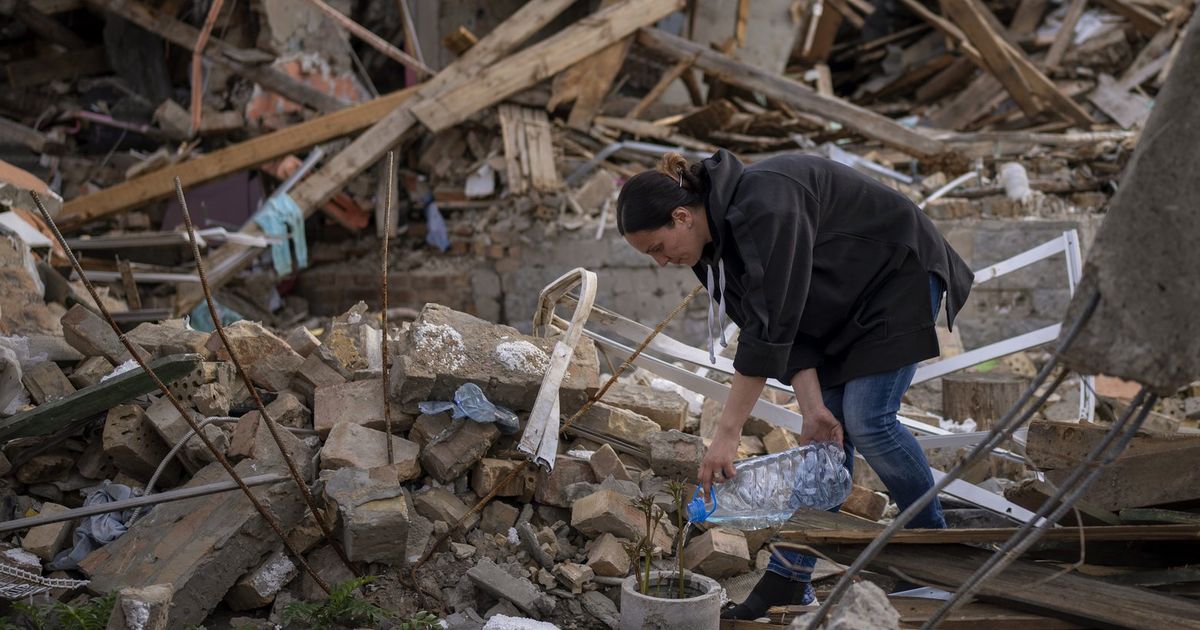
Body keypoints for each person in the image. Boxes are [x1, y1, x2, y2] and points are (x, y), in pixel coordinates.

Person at [616, 149, 974, 620]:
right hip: (838, 300)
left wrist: (725, 435)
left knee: (869, 418)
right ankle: (789, 580)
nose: (661, 261)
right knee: (824, 439)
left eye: (657, 248)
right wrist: (811, 408)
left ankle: (937, 560)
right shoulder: (709, 252)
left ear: (681, 216)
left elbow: (770, 330)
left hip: (895, 275)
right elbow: (777, 324)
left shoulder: (767, 202)